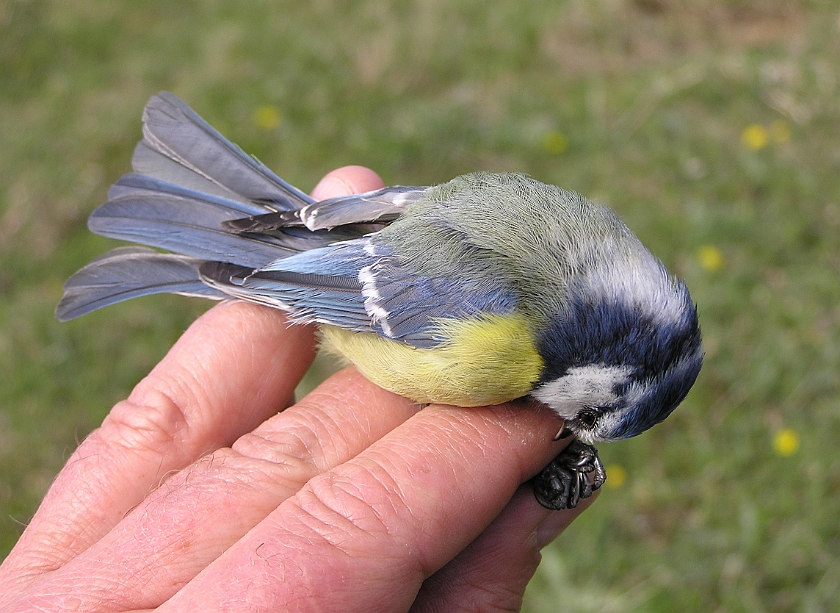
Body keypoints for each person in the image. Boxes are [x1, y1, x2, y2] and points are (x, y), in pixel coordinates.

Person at [0, 166, 595, 612]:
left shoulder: (566, 255)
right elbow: (358, 289)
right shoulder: (511, 329)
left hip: (367, 240)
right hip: (352, 271)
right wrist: (265, 270)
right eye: (586, 412)